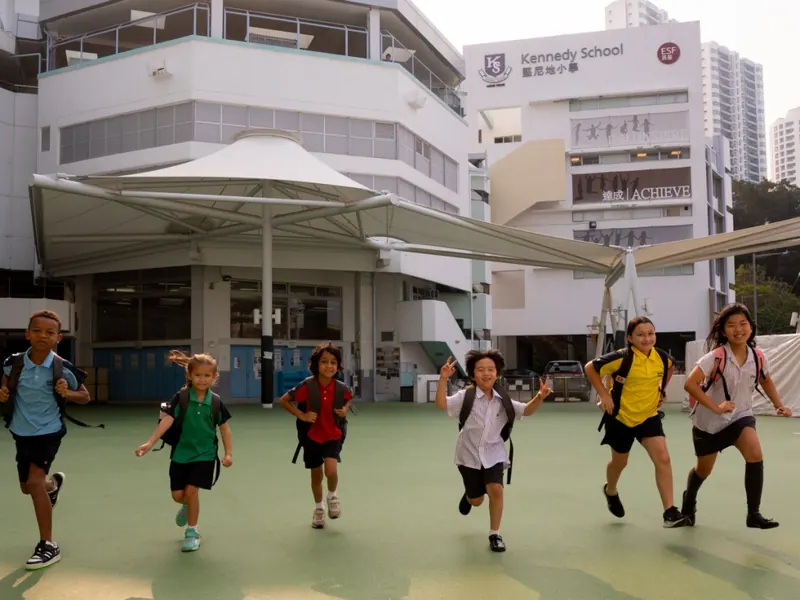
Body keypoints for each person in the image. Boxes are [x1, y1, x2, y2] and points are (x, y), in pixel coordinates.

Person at [681, 302, 792, 529]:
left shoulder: (758, 356)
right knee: (704, 470)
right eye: (731, 325)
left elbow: (765, 380)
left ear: (751, 326)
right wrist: (716, 407)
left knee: (755, 454)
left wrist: (779, 405)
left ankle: (753, 514)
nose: (738, 329)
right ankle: (688, 500)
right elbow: (690, 384)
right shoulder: (715, 356)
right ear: (723, 331)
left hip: (741, 416)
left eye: (743, 323)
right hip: (709, 423)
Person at [435, 349, 552, 553]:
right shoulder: (466, 397)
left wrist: (539, 397)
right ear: (473, 375)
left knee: (496, 489)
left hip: (494, 453)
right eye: (480, 369)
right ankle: (470, 496)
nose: (486, 373)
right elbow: (441, 404)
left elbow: (525, 411)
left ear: (497, 374)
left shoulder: (503, 399)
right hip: (468, 455)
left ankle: (495, 534)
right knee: (477, 501)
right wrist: (443, 379)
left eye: (491, 369)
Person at [0, 310, 91, 570]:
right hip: (20, 431)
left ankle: (48, 545)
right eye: (37, 331)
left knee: (33, 482)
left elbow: (85, 396)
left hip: (49, 431)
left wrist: (68, 393)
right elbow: (5, 386)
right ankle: (53, 485)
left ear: (58, 338)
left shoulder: (62, 367)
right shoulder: (13, 363)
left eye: (50, 332)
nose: (43, 336)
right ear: (27, 334)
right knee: (27, 487)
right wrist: (3, 393)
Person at [585, 316, 686, 528]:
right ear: (630, 338)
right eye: (640, 335)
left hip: (648, 416)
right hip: (620, 417)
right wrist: (603, 394)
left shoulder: (661, 357)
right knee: (620, 462)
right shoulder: (621, 358)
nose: (647, 338)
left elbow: (670, 367)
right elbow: (590, 367)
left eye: (650, 333)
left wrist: (662, 390)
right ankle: (610, 490)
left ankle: (669, 512)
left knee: (663, 458)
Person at [135, 351, 233, 552]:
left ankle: (192, 531)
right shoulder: (181, 398)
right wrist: (150, 442)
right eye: (198, 375)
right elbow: (168, 420)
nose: (202, 379)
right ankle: (187, 505)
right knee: (178, 495)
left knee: (192, 491)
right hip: (181, 453)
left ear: (214, 377)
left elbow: (224, 428)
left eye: (207, 375)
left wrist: (228, 453)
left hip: (205, 454)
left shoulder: (215, 402)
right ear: (189, 375)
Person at [279, 343, 353, 529]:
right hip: (312, 437)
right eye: (324, 362)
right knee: (316, 475)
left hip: (333, 435)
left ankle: (332, 496)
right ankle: (319, 508)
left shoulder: (341, 388)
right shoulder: (307, 386)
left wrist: (344, 409)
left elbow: (348, 398)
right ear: (316, 364)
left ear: (338, 365)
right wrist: (302, 415)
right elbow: (284, 400)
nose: (329, 366)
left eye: (333, 362)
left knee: (331, 471)